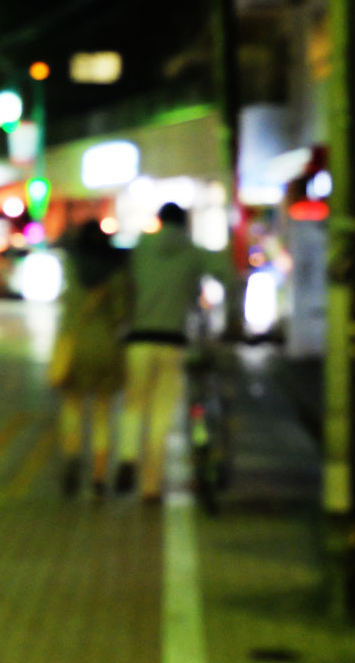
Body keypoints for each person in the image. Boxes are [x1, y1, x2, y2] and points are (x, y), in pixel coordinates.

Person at [116, 202, 233, 502]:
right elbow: (225, 273)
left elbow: (122, 282)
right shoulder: (193, 251)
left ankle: (128, 455)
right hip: (173, 341)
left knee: (133, 403)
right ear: (184, 224)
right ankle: (151, 487)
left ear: (159, 220)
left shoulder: (141, 247)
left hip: (138, 339)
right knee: (161, 412)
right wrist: (230, 314)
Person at [49, 219, 131, 499]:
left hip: (75, 346)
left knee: (72, 407)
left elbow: (66, 308)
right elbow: (122, 314)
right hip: (107, 346)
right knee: (103, 414)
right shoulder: (116, 271)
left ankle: (72, 461)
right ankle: (97, 478)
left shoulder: (71, 268)